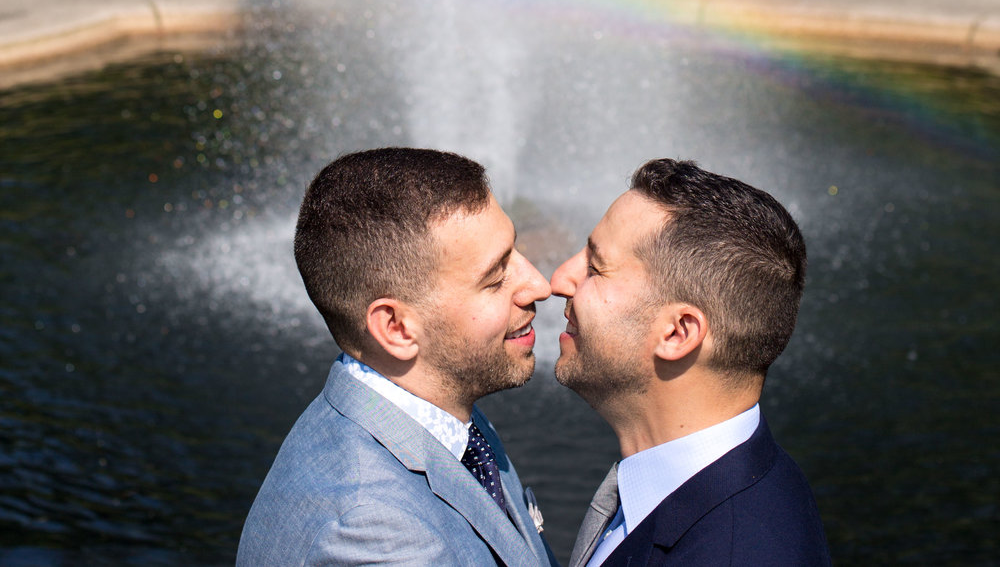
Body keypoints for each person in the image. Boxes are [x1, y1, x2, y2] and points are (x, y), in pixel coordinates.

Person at [237, 147, 558, 566]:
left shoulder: (441, 412)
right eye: (496, 277)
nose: (538, 284)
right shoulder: (371, 531)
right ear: (397, 328)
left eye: (515, 251)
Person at [552, 158, 831, 567]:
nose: (558, 280)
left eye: (595, 267)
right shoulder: (743, 483)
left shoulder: (730, 552)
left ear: (678, 333)